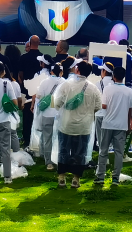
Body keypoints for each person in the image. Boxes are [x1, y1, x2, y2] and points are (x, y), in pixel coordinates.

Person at [52, 60, 101, 189]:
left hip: (66, 124)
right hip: (84, 127)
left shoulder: (66, 85)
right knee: (80, 153)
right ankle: (76, 179)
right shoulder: (93, 88)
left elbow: (56, 104)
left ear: (77, 70)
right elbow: (98, 106)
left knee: (63, 150)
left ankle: (61, 178)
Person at [95, 64, 132, 186]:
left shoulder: (108, 89)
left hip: (107, 123)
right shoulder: (129, 91)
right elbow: (130, 109)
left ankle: (100, 176)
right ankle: (115, 178)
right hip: (121, 125)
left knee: (103, 151)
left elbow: (104, 105)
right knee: (119, 152)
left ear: (113, 76)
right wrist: (129, 123)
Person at [34, 62, 65, 168]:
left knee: (47, 138)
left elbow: (39, 96)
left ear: (51, 71)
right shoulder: (65, 82)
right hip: (60, 115)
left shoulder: (44, 82)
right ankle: (58, 159)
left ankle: (48, 162)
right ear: (61, 72)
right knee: (59, 139)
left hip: (47, 114)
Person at [17, 36, 43, 147]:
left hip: (27, 91)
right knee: (38, 115)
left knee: (27, 116)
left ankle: (26, 139)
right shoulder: (42, 58)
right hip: (40, 91)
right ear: (39, 43)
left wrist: (24, 85)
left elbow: (20, 74)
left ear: (29, 43)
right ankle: (37, 141)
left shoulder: (23, 58)